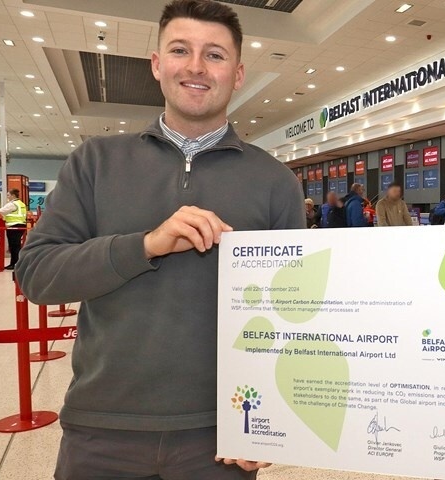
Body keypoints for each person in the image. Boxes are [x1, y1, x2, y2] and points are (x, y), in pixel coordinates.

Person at [16, 1, 304, 478]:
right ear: (156, 65)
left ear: (237, 73)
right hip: (101, 430)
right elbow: (37, 275)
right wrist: (145, 245)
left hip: (219, 435)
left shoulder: (274, 181)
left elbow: (293, 314)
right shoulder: (95, 162)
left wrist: (270, 422)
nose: (195, 66)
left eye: (215, 55)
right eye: (180, 50)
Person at [0, 189, 27, 270]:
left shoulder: (12, 204)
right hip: (21, 225)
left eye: (8, 195)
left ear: (13, 195)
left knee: (14, 246)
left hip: (13, 226)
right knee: (16, 246)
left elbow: (0, 212)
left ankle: (15, 264)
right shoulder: (21, 203)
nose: (7, 197)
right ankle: (15, 263)